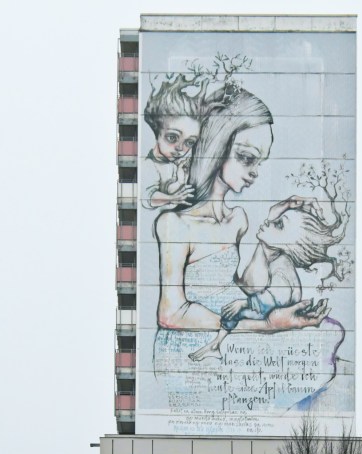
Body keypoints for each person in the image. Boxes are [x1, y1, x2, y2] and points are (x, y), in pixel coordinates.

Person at [153, 86, 329, 341]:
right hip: (187, 347)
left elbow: (249, 286)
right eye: (247, 158)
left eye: (260, 162)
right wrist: (267, 325)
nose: (256, 171)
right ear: (216, 147)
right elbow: (171, 315)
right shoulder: (175, 223)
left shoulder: (238, 219)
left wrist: (271, 228)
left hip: (228, 339)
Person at [187, 196, 340, 362]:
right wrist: (285, 205)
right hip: (263, 303)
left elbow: (274, 298)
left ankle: (216, 345)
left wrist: (244, 303)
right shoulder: (273, 248)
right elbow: (273, 224)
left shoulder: (282, 268)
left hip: (270, 309)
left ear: (289, 244)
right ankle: (215, 345)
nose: (269, 222)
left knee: (233, 312)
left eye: (279, 224)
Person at [141, 73, 207, 210]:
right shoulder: (150, 165)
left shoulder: (182, 163)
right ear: (157, 131)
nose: (180, 148)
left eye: (189, 142)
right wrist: (172, 198)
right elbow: (147, 198)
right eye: (172, 138)